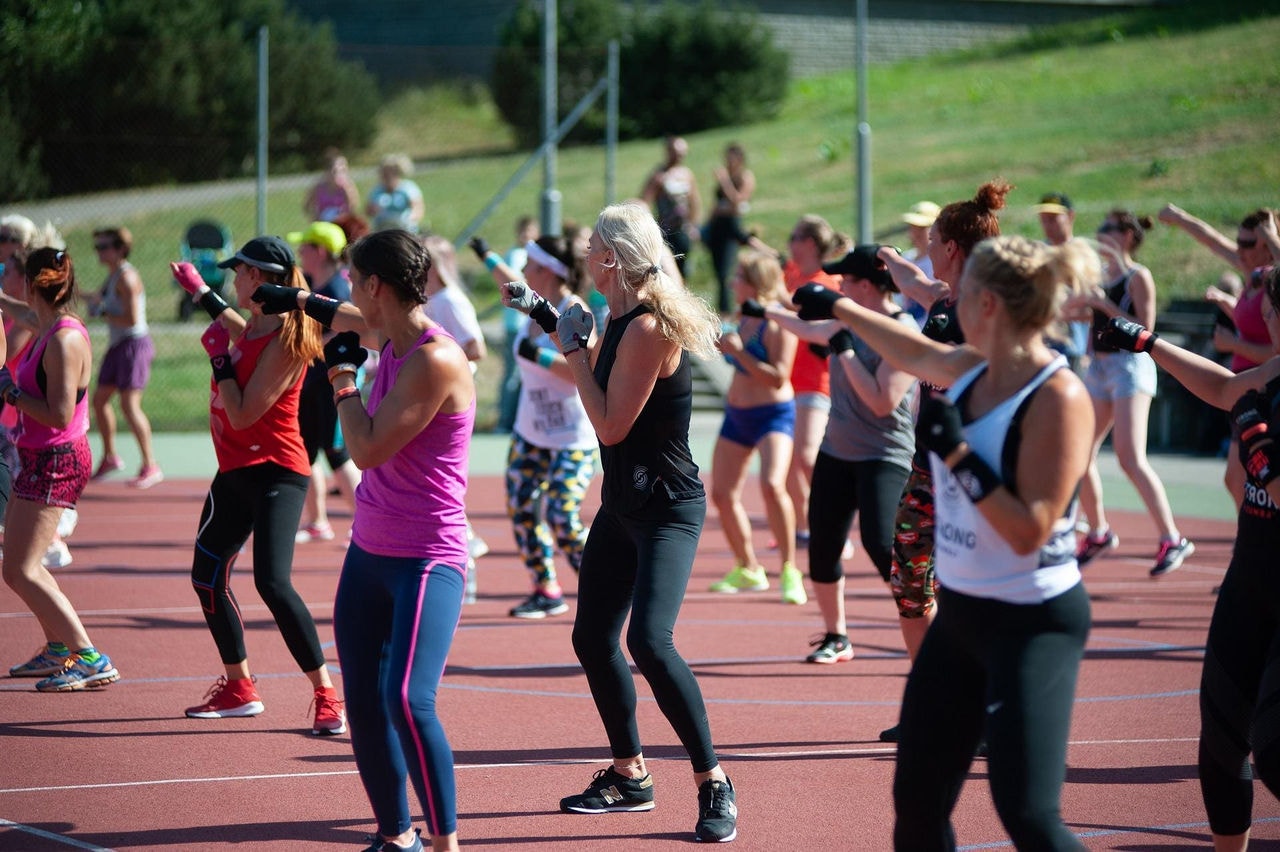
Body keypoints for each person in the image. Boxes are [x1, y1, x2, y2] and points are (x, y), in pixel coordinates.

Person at [794, 233, 1098, 850]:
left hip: (1033, 620)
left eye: (961, 293)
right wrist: (839, 308)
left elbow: (1029, 529)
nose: (946, 300)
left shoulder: (1058, 396)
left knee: (1029, 816)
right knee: (917, 807)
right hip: (961, 619)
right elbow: (911, 350)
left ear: (987, 304)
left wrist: (957, 452)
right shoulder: (967, 368)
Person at [502, 201, 738, 843]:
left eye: (590, 244)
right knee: (591, 638)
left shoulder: (649, 327)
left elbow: (607, 422)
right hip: (623, 505)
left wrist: (574, 348)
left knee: (650, 641)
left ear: (612, 257)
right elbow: (600, 380)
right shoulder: (620, 314)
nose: (582, 253)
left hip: (666, 508)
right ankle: (631, 775)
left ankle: (713, 780)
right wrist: (554, 319)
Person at [250, 228, 474, 852]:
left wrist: (342, 376)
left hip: (427, 557)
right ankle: (394, 834)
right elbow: (338, 313)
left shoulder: (435, 357)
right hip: (370, 552)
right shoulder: (389, 328)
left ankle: (444, 844)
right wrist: (288, 298)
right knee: (365, 702)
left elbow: (369, 449)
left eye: (353, 278)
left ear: (377, 286)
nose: (346, 290)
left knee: (406, 698)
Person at [1090, 269, 1280, 852]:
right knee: (1220, 747)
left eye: (1267, 307)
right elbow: (1226, 388)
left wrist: (1256, 441)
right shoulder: (1275, 373)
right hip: (1250, 584)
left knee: (1273, 747)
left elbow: (1273, 483)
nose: (1263, 317)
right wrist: (1144, 341)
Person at [169, 236, 344, 735]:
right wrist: (200, 290)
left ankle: (327, 694)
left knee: (272, 581)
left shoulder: (288, 340)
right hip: (234, 473)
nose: (233, 279)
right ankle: (239, 685)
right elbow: (233, 324)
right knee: (207, 576)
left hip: (276, 472)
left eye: (238, 272)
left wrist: (219, 362)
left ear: (260, 278)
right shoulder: (256, 323)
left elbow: (244, 414)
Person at [871, 180, 1011, 724]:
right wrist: (882, 257)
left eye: (931, 239)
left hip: (972, 472)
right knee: (908, 579)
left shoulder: (988, 307)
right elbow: (912, 279)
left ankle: (983, 707)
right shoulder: (944, 297)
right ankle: (932, 699)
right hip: (925, 470)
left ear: (951, 247)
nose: (924, 248)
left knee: (970, 593)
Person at [767, 246, 918, 661]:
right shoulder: (841, 323)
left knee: (881, 544)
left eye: (845, 281)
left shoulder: (902, 331)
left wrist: (847, 352)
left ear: (866, 286)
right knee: (822, 548)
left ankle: (924, 622)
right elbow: (807, 329)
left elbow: (882, 401)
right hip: (837, 451)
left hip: (884, 454)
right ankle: (837, 635)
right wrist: (765, 312)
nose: (838, 287)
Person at [2, 247, 121, 692]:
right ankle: (58, 648)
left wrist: (10, 393)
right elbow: (15, 308)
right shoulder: (46, 323)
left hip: (57, 459)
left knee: (23, 568)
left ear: (33, 284)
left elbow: (58, 414)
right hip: (37, 455)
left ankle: (89, 656)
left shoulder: (65, 339)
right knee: (16, 564)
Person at [473, 233, 597, 618]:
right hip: (531, 433)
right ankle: (546, 589)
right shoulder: (532, 302)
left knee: (562, 514)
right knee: (523, 508)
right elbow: (508, 279)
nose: (523, 269)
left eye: (530, 263)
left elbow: (585, 368)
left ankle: (600, 585)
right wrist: (487, 254)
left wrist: (539, 359)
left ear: (546, 270)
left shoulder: (572, 307)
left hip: (572, 436)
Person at [1069, 210, 1193, 576]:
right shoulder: (1098, 275)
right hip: (1100, 367)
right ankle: (1098, 530)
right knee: (1079, 454)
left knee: (1129, 457)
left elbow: (1146, 330)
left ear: (1124, 235)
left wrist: (1102, 304)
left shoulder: (1139, 276)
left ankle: (1172, 537)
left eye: (1105, 228)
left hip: (1129, 367)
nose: (1097, 233)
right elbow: (1084, 317)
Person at [1159, 203, 1278, 509]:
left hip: (1265, 389)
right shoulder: (1251, 275)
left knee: (1247, 478)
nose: (1239, 249)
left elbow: (1273, 351)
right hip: (1240, 388)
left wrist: (1233, 345)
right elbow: (1211, 240)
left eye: (1249, 243)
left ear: (1267, 246)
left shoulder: (1273, 282)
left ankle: (1254, 539)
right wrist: (1181, 218)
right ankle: (1253, 537)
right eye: (1238, 241)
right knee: (1238, 479)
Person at [706, 249, 802, 604]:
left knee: (773, 484)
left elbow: (778, 378)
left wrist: (740, 353)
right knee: (721, 493)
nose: (732, 283)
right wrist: (723, 348)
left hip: (772, 415)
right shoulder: (742, 318)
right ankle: (747, 567)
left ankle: (790, 568)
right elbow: (734, 353)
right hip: (737, 414)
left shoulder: (777, 322)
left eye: (738, 277)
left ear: (754, 283)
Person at [779, 215, 850, 552]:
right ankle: (806, 530)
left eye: (794, 237)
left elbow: (816, 326)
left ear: (809, 243)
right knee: (790, 466)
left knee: (808, 457)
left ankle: (838, 527)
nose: (789, 243)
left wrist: (779, 301)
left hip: (816, 381)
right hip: (786, 383)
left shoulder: (830, 282)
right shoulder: (792, 274)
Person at [287, 221, 361, 543]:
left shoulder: (338, 291)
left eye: (303, 246)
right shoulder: (318, 287)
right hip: (311, 384)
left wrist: (306, 346)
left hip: (332, 385)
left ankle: (365, 523)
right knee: (306, 452)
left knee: (337, 452)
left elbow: (348, 330)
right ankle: (317, 521)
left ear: (318, 251)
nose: (299, 252)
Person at [84, 226, 163, 489]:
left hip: (133, 345)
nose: (99, 252)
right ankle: (109, 457)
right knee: (99, 400)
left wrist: (102, 312)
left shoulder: (127, 278)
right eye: (98, 247)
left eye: (104, 247)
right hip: (119, 345)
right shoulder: (113, 275)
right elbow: (99, 300)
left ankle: (151, 465)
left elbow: (131, 318)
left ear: (119, 249)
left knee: (129, 405)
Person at [1035, 191, 1091, 372]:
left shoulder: (1083, 255)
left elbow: (1093, 304)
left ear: (1070, 216)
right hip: (1041, 345)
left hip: (1073, 345)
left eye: (1053, 218)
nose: (1047, 224)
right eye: (1044, 219)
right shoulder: (1038, 254)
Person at [702, 143, 757, 315]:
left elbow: (738, 201)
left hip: (731, 227)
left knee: (726, 272)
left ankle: (727, 311)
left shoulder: (745, 176)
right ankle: (721, 310)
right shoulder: (726, 175)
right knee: (718, 273)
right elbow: (718, 204)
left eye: (731, 157)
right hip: (717, 226)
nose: (728, 161)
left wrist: (724, 180)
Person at [641, 136, 701, 278]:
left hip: (683, 230)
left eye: (682, 152)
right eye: (676, 152)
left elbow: (694, 201)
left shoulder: (686, 174)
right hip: (666, 230)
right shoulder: (659, 175)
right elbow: (645, 200)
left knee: (683, 270)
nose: (680, 155)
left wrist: (693, 225)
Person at [898, 201, 940, 326]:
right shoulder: (906, 258)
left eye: (921, 228)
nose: (915, 233)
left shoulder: (940, 263)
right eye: (912, 227)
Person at [367, 154, 425, 234]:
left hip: (404, 228)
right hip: (382, 228)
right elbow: (368, 211)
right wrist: (373, 209)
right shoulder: (377, 190)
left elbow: (418, 208)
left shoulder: (408, 187)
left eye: (389, 173)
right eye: (384, 173)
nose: (386, 176)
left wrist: (410, 219)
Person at [302, 149, 361, 223]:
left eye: (344, 171)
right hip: (323, 224)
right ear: (327, 171)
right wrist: (315, 216)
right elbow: (306, 206)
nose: (341, 175)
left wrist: (347, 191)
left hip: (342, 223)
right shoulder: (318, 187)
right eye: (336, 171)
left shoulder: (347, 187)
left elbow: (353, 207)